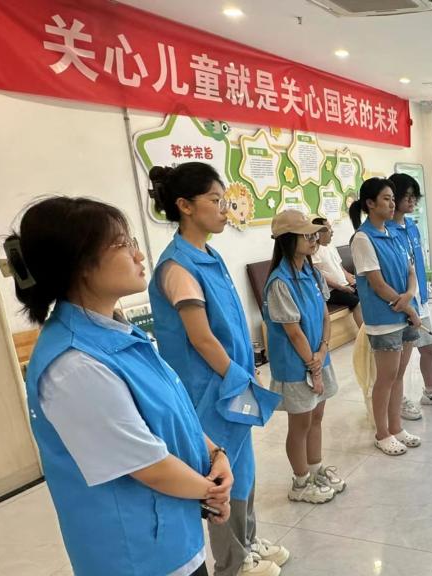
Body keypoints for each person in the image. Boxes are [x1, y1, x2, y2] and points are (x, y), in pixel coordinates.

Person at [7, 196, 233, 575]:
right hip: (135, 555)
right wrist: (212, 491)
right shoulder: (74, 365)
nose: (139, 255)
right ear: (80, 264)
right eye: (123, 244)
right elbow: (148, 465)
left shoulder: (118, 333)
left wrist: (216, 456)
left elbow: (173, 411)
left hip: (173, 534)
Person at [147, 163, 287, 576]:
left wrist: (245, 374)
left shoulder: (210, 255)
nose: (225, 209)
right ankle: (233, 562)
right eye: (215, 200)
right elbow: (202, 339)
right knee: (221, 479)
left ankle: (247, 543)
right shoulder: (177, 267)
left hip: (231, 382)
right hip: (209, 391)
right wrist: (239, 377)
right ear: (185, 206)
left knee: (243, 469)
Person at [263, 210, 346, 504]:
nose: (313, 239)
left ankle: (315, 469)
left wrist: (323, 350)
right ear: (287, 240)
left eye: (313, 234)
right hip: (296, 365)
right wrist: (313, 364)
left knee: (317, 417)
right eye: (306, 235)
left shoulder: (312, 272)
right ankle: (300, 483)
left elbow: (324, 314)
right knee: (300, 425)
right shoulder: (279, 282)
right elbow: (293, 332)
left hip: (317, 357)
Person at [349, 177, 423, 456]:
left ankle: (396, 427)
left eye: (393, 199)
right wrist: (408, 307)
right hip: (384, 318)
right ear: (370, 203)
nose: (392, 204)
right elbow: (377, 285)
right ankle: (382, 433)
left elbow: (411, 271)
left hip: (404, 313)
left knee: (399, 375)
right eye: (386, 199)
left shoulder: (393, 232)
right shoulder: (363, 238)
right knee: (386, 378)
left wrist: (409, 296)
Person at [388, 172, 432, 420]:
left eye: (414, 196)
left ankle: (429, 392)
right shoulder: (385, 230)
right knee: (399, 361)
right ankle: (397, 400)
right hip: (401, 303)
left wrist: (423, 293)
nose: (412, 201)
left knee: (429, 349)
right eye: (407, 196)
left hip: (419, 300)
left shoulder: (412, 226)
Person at [311, 217, 364, 329]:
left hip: (344, 285)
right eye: (329, 228)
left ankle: (372, 328)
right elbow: (320, 277)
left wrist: (352, 280)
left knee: (366, 295)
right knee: (357, 303)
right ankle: (365, 335)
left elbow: (340, 268)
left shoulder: (330, 246)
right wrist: (342, 288)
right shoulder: (313, 251)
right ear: (319, 232)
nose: (332, 231)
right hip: (332, 291)